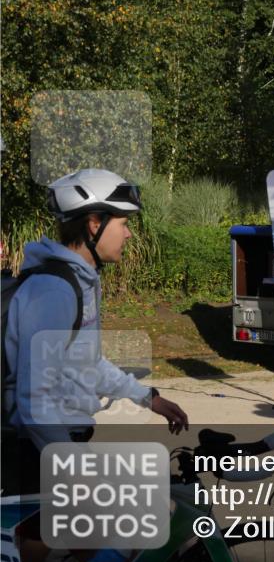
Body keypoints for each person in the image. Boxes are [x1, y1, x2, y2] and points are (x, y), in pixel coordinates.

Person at [4, 169, 189, 495]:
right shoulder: (53, 290)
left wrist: (148, 399)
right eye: (123, 224)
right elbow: (34, 399)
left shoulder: (79, 281)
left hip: (59, 440)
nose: (128, 235)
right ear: (94, 223)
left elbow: (87, 363)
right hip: (38, 448)